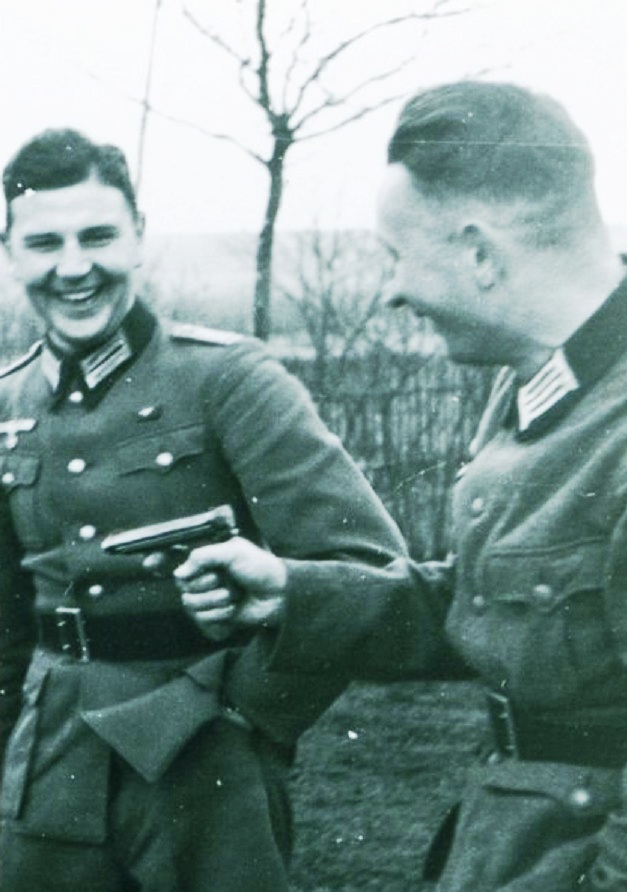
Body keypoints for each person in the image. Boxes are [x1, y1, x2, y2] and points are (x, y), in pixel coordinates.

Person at [175, 81, 627, 891]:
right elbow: (501, 604)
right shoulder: (548, 382)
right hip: (513, 844)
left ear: (480, 254)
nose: (392, 291)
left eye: (396, 255)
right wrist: (292, 595)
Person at [0, 128, 406, 891]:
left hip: (205, 774)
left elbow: (363, 570)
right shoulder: (8, 403)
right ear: (11, 253)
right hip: (49, 774)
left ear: (138, 236)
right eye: (44, 243)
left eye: (97, 236)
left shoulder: (229, 380)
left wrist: (251, 723)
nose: (74, 266)